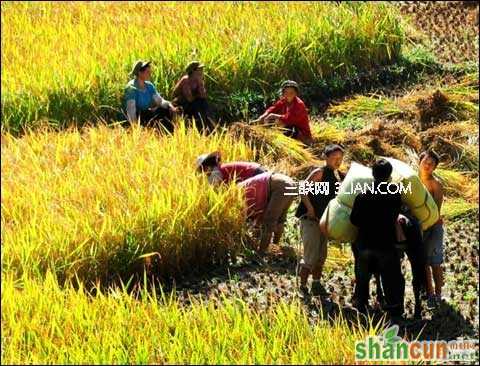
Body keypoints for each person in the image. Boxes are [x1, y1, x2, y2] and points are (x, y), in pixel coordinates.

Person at [350, 159, 405, 323]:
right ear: (389, 176)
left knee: (362, 276)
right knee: (391, 277)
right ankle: (394, 311)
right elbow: (396, 214)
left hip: (364, 244)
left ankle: (361, 307)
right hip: (386, 244)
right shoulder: (394, 194)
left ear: (372, 175)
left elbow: (354, 220)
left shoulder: (362, 195)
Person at [295, 144, 345, 298]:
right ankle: (302, 287)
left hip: (324, 221)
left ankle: (316, 284)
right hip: (311, 220)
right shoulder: (320, 173)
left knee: (321, 256)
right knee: (310, 256)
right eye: (335, 158)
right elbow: (303, 189)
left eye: (340, 159)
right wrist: (309, 208)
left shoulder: (337, 176)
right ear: (326, 157)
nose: (338, 161)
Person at [238, 171, 297, 254]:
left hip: (280, 186)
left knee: (269, 221)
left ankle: (261, 253)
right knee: (280, 219)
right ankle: (275, 246)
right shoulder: (242, 187)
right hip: (290, 184)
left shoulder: (237, 195)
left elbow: (258, 215)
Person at [418, 150, 445, 309]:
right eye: (425, 162)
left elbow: (435, 210)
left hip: (433, 227)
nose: (427, 166)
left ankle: (439, 293)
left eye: (431, 164)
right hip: (419, 228)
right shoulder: (413, 182)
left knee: (435, 262)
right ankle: (429, 294)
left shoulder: (435, 184)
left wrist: (424, 224)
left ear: (435, 167)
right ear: (419, 162)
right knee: (424, 263)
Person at [254, 80, 313, 145]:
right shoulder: (284, 100)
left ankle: (303, 143)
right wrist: (262, 117)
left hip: (301, 133)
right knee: (270, 120)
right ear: (283, 93)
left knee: (279, 122)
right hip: (290, 127)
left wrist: (274, 116)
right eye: (286, 92)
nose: (288, 95)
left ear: (296, 93)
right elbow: (274, 108)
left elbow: (289, 119)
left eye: (291, 92)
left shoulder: (299, 104)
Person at [124, 60, 178, 131]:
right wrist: (136, 128)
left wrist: (170, 106)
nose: (150, 74)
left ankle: (168, 133)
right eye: (148, 72)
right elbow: (131, 110)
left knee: (164, 110)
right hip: (139, 116)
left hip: (147, 113)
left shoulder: (149, 85)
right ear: (140, 73)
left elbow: (160, 101)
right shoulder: (131, 88)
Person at [172, 61, 213, 131]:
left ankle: (210, 125)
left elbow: (203, 96)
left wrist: (200, 84)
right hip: (181, 102)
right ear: (193, 71)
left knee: (204, 103)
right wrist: (198, 96)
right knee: (197, 105)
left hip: (192, 101)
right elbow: (189, 98)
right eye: (199, 69)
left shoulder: (198, 80)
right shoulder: (186, 80)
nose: (202, 71)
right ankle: (200, 127)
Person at [196, 151, 267, 185]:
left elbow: (216, 189)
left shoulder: (216, 172)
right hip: (258, 169)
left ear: (205, 166)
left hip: (255, 174)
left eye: (202, 169)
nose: (204, 172)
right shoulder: (221, 168)